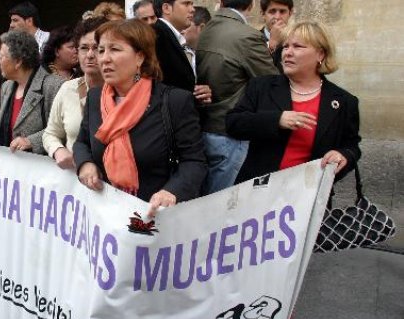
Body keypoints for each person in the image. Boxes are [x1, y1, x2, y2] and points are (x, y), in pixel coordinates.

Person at [73, 19, 206, 218]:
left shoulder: (174, 101)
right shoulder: (95, 98)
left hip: (156, 218)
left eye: (115, 49)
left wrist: (171, 192)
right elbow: (82, 141)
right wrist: (85, 164)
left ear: (140, 57)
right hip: (106, 217)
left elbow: (194, 161)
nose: (104, 59)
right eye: (101, 50)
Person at [226, 21, 361, 184]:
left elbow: (351, 145)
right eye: (285, 46)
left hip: (307, 195)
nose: (287, 53)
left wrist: (344, 155)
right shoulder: (262, 86)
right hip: (258, 192)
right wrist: (277, 120)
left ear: (320, 54)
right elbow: (233, 123)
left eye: (297, 47)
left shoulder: (343, 101)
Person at [196, 0, 278, 194]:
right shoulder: (248, 36)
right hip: (230, 132)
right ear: (251, 5)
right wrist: (276, 46)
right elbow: (272, 84)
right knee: (222, 206)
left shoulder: (205, 30)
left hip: (205, 127)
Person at [0, 30, 64, 155]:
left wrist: (31, 141)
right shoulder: (6, 87)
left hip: (40, 169)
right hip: (10, 168)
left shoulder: (53, 86)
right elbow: (5, 126)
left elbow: (63, 130)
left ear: (18, 62)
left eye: (2, 55)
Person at [42, 16, 107, 169]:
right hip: (75, 183)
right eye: (84, 48)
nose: (90, 55)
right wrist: (58, 150)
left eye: (96, 48)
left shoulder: (122, 90)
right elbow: (50, 133)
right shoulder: (67, 89)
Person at [153, 0, 211, 106]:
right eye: (186, 4)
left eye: (192, 4)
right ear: (166, 8)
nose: (192, 9)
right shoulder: (157, 37)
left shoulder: (172, 37)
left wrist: (199, 93)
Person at [260, 0, 294, 73]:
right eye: (272, 11)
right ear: (263, 14)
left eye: (282, 11)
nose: (277, 17)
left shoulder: (297, 40)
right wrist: (272, 45)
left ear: (290, 13)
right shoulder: (253, 39)